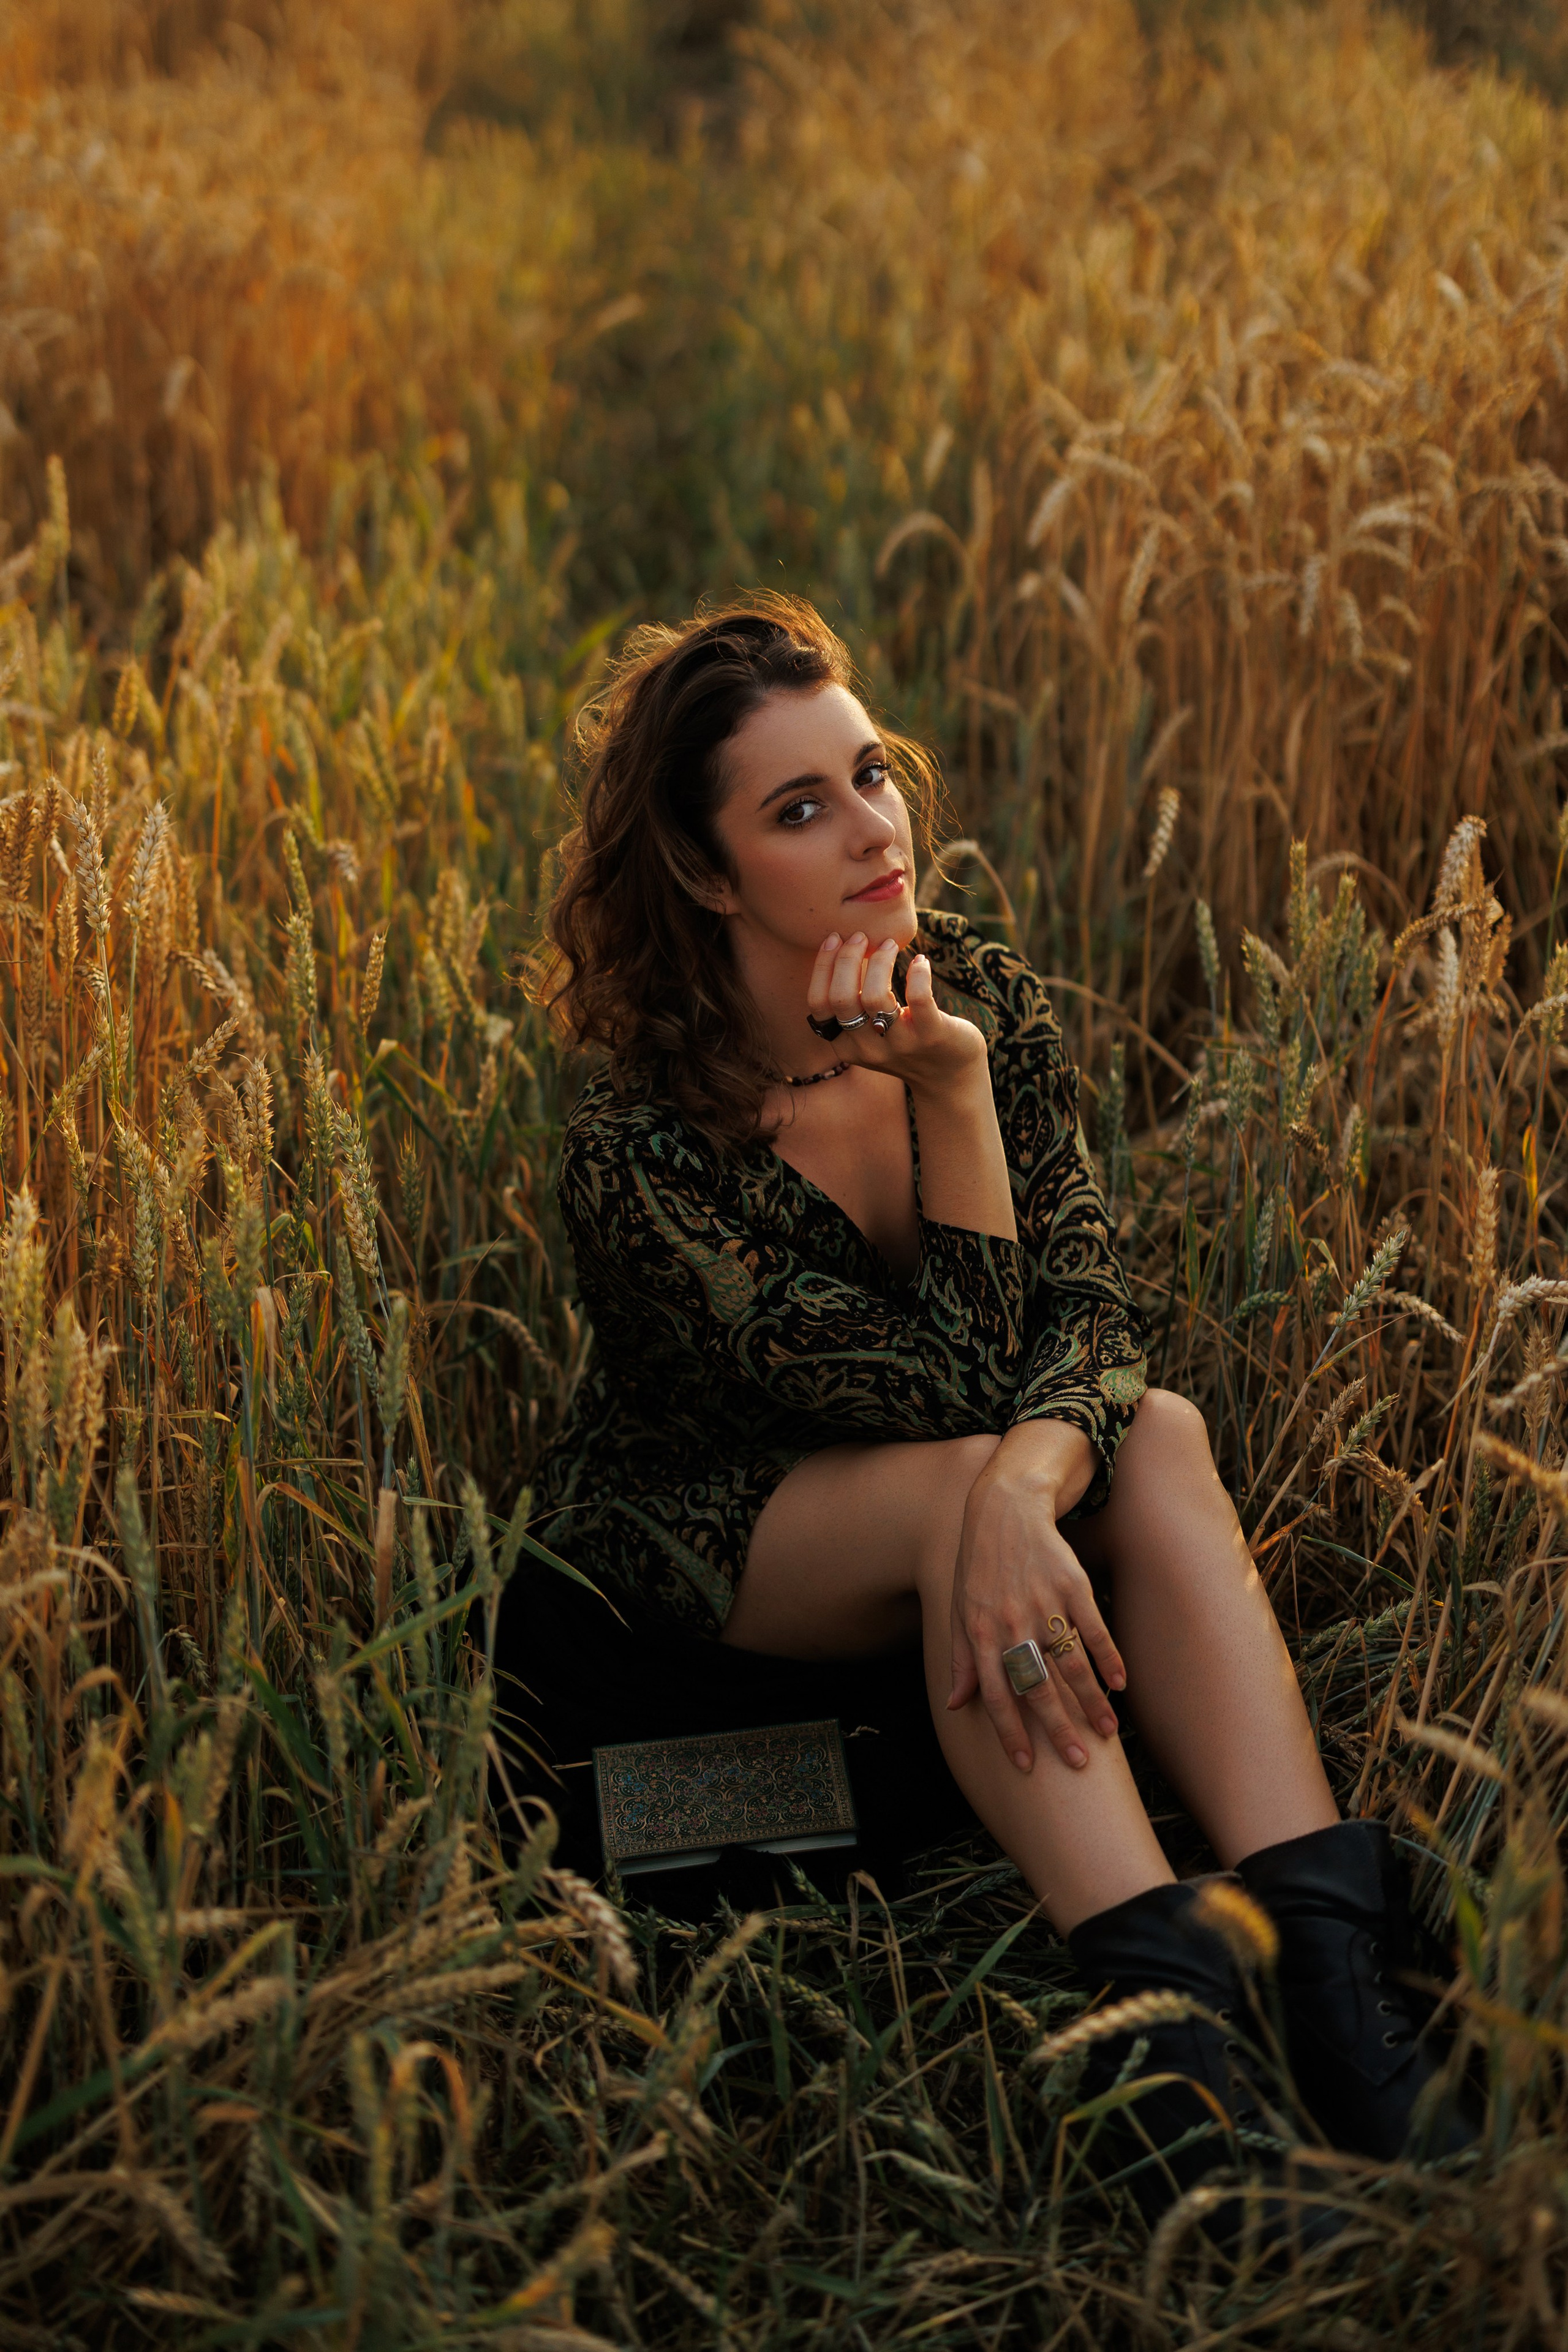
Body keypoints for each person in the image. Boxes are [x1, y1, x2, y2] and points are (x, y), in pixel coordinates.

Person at [519, 595, 1471, 2219]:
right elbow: (949, 1392)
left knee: (1152, 1427)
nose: (874, 831)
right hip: (696, 1623)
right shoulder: (644, 1169)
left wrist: (1031, 1485)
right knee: (966, 1478)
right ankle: (1185, 2083)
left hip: (960, 1557)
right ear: (700, 870)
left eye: (871, 775)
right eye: (799, 809)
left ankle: (1335, 1983)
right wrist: (947, 1100)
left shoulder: (989, 1002)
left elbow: (1088, 1311)